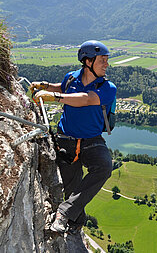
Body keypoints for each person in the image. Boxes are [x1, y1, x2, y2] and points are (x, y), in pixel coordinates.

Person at [30, 40, 117, 234]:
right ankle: (76, 224)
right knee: (72, 188)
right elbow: (63, 88)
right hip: (66, 140)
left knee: (104, 167)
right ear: (88, 62)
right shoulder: (71, 78)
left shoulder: (108, 87)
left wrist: (54, 98)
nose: (107, 64)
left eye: (106, 60)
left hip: (91, 140)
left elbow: (86, 99)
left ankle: (63, 213)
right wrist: (46, 86)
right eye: (102, 60)